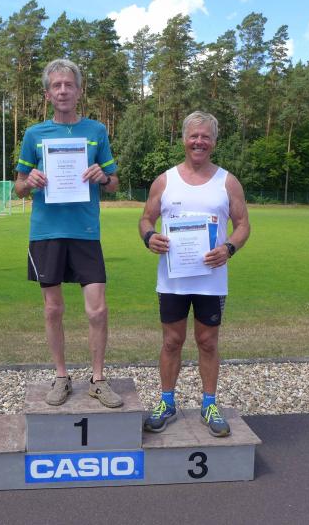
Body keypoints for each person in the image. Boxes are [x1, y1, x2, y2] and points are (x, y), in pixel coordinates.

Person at [14, 58, 123, 408]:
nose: (63, 91)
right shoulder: (35, 134)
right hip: (46, 232)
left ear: (78, 91)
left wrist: (102, 177)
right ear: (48, 94)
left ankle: (98, 379)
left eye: (68, 85)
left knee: (98, 310)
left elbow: (114, 183)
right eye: (56, 86)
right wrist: (29, 181)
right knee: (53, 309)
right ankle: (61, 377)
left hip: (85, 232)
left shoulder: (96, 131)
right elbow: (18, 186)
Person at [138, 111, 250, 436]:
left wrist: (229, 248)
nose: (199, 142)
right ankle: (166, 402)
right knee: (172, 341)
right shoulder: (165, 180)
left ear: (214, 142)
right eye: (194, 136)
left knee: (208, 342)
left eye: (205, 137)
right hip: (172, 279)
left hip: (210, 281)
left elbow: (243, 225)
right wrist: (149, 237)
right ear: (184, 140)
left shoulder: (227, 182)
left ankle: (209, 404)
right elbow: (145, 219)